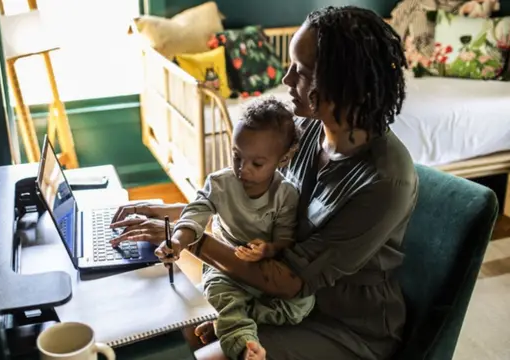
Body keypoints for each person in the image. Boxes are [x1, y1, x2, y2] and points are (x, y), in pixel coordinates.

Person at [110, 5, 418, 360]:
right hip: (278, 300)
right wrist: (177, 213)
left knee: (203, 355)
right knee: (172, 331)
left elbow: (287, 279)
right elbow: (264, 207)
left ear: (343, 84)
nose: (287, 80)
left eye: (301, 72)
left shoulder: (384, 181)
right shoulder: (307, 132)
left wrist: (190, 238)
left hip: (346, 326)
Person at [171, 97, 315, 360]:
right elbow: (197, 210)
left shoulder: (285, 194)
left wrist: (267, 249)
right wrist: (179, 240)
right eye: (236, 156)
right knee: (223, 295)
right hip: (225, 269)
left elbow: (285, 239)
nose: (242, 169)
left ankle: (227, 321)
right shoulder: (220, 183)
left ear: (282, 160)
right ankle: (244, 345)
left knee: (301, 306)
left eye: (256, 164)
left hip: (264, 271)